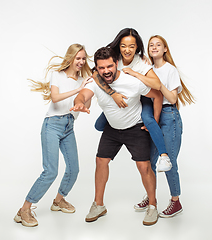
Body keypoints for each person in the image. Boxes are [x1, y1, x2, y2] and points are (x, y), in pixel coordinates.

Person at [70, 47, 162, 226]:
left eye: (109, 66)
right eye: (101, 68)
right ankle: (98, 205)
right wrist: (79, 103)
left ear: (116, 63)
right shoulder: (95, 83)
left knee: (144, 167)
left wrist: (154, 122)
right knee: (100, 161)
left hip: (135, 128)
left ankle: (152, 205)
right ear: (96, 68)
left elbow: (157, 95)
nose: (106, 71)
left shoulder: (132, 82)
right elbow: (82, 95)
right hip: (112, 129)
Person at [14, 44, 92, 227]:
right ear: (71, 58)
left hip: (68, 126)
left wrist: (87, 94)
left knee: (74, 169)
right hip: (52, 125)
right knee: (50, 171)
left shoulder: (84, 80)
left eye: (83, 59)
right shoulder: (57, 75)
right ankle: (24, 210)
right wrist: (79, 89)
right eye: (78, 58)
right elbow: (55, 98)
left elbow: (85, 104)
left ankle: (58, 201)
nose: (81, 62)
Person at [93, 28, 172, 172]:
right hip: (120, 101)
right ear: (118, 46)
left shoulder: (140, 62)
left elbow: (157, 86)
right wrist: (113, 94)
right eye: (123, 45)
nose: (127, 50)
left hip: (141, 97)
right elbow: (95, 74)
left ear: (137, 47)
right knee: (98, 125)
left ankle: (164, 156)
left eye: (131, 46)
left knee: (148, 119)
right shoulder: (113, 57)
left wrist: (135, 73)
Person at [136, 35, 195, 217]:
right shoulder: (148, 69)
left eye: (158, 45)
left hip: (169, 116)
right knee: (151, 161)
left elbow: (172, 98)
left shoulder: (170, 70)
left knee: (169, 161)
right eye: (151, 45)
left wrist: (158, 84)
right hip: (155, 116)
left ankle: (175, 202)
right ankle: (151, 196)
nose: (154, 47)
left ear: (164, 49)